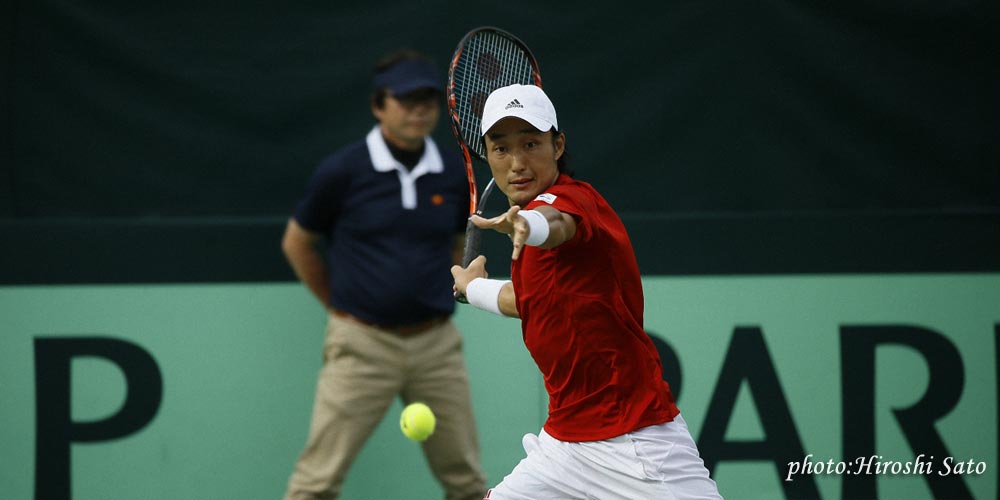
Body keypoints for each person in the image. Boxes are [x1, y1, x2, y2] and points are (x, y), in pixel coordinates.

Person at [451, 84, 723, 500]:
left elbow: (557, 224)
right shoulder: (526, 222)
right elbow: (531, 302)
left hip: (635, 440)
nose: (518, 162)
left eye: (531, 143)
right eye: (501, 148)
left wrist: (530, 226)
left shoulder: (573, 203)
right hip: (564, 443)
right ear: (486, 155)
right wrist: (474, 289)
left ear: (557, 145)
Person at [281, 49, 487, 500]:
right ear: (379, 105)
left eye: (428, 100)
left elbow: (455, 244)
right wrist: (342, 306)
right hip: (361, 344)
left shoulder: (452, 173)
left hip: (436, 347)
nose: (418, 110)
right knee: (315, 483)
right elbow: (297, 242)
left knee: (468, 484)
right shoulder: (343, 171)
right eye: (406, 99)